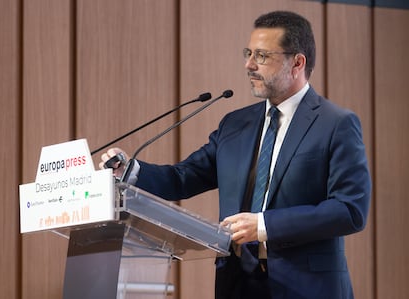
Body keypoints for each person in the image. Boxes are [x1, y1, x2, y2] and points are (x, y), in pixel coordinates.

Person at [100, 10, 371, 299]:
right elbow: (184, 177)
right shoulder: (235, 124)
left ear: (297, 63)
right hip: (237, 283)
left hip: (307, 287)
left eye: (263, 56)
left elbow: (350, 210)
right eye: (248, 53)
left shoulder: (336, 124)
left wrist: (264, 226)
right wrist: (130, 171)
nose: (249, 64)